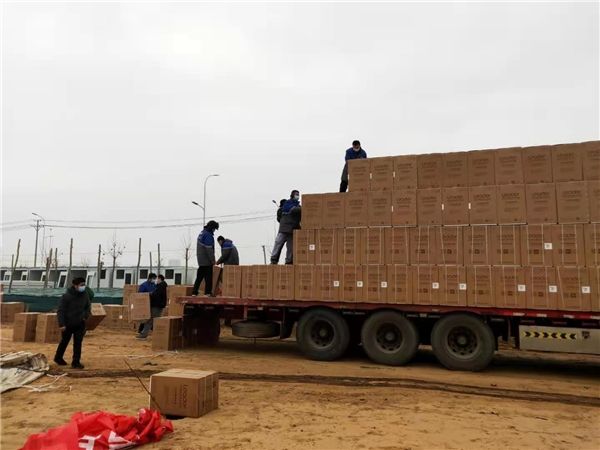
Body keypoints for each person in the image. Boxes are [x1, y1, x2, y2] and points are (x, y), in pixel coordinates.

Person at [54, 277, 91, 369]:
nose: (83, 286)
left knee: (78, 343)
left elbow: (88, 307)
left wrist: (85, 316)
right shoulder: (66, 296)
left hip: (80, 323)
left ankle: (76, 361)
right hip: (68, 323)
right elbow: (61, 311)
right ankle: (58, 357)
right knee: (64, 341)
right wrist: (61, 324)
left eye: (84, 284)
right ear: (75, 285)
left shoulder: (85, 295)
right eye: (81, 285)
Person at [271, 190, 301, 265]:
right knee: (278, 243)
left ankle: (288, 261)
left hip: (292, 230)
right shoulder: (288, 204)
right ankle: (274, 260)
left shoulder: (298, 206)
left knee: (290, 247)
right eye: (296, 194)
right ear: (292, 195)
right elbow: (292, 210)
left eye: (298, 194)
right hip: (284, 229)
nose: (297, 196)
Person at [192, 220, 219, 296]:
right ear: (211, 227)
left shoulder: (202, 233)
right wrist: (213, 260)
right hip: (206, 260)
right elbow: (209, 249)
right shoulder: (208, 235)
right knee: (208, 277)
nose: (214, 230)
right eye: (214, 229)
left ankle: (194, 292)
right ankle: (207, 293)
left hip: (200, 259)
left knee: (199, 277)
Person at [137, 274, 168, 339]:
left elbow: (156, 295)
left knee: (150, 320)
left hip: (155, 305)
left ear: (160, 279)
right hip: (152, 305)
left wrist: (149, 294)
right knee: (150, 320)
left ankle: (144, 334)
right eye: (154, 278)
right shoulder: (146, 285)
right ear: (150, 278)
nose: (155, 280)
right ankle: (144, 332)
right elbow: (140, 294)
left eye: (156, 279)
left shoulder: (160, 286)